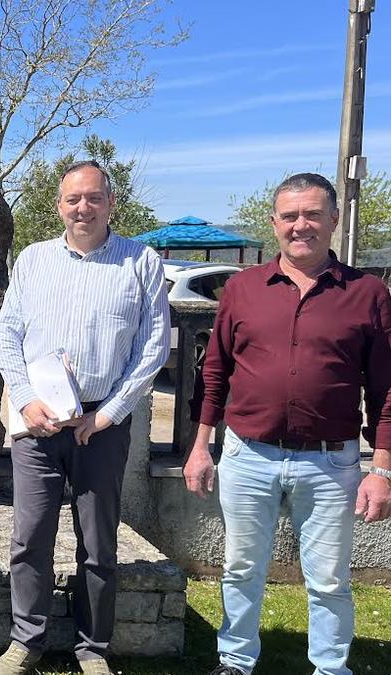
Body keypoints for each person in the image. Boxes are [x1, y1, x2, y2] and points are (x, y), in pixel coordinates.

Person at [184, 173, 391, 675]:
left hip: (330, 461)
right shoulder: (242, 289)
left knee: (328, 579)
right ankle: (235, 661)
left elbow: (386, 389)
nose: (302, 226)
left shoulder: (367, 294)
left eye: (313, 215)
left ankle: (330, 667)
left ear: (334, 220)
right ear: (275, 223)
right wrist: (199, 446)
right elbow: (216, 370)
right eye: (290, 216)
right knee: (240, 569)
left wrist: (381, 469)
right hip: (247, 456)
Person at [0, 160, 170, 675]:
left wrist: (109, 414)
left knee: (99, 541)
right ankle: (27, 640)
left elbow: (153, 347)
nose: (83, 208)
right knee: (30, 538)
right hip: (37, 424)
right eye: (73, 200)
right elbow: (8, 336)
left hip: (102, 427)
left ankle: (94, 649)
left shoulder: (141, 262)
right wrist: (25, 400)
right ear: (59, 206)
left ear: (111, 203)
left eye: (93, 198)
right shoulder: (33, 260)